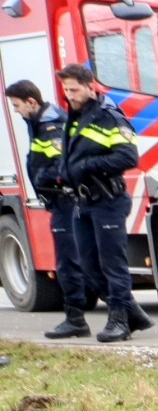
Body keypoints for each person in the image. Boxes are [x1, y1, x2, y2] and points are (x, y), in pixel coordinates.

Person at [56, 64, 144, 342]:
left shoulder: (108, 116)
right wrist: (65, 172)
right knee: (89, 267)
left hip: (108, 200)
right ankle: (134, 314)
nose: (69, 95)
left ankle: (120, 321)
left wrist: (85, 166)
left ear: (90, 86)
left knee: (112, 264)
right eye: (66, 89)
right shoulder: (75, 114)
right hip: (82, 201)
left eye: (74, 89)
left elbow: (129, 157)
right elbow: (71, 154)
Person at [9, 80, 93, 337]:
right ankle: (118, 312)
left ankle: (80, 318)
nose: (15, 111)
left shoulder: (51, 124)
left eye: (17, 106)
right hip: (59, 201)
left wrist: (44, 179)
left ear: (31, 102)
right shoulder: (40, 121)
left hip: (64, 201)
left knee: (69, 263)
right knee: (76, 261)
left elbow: (60, 165)